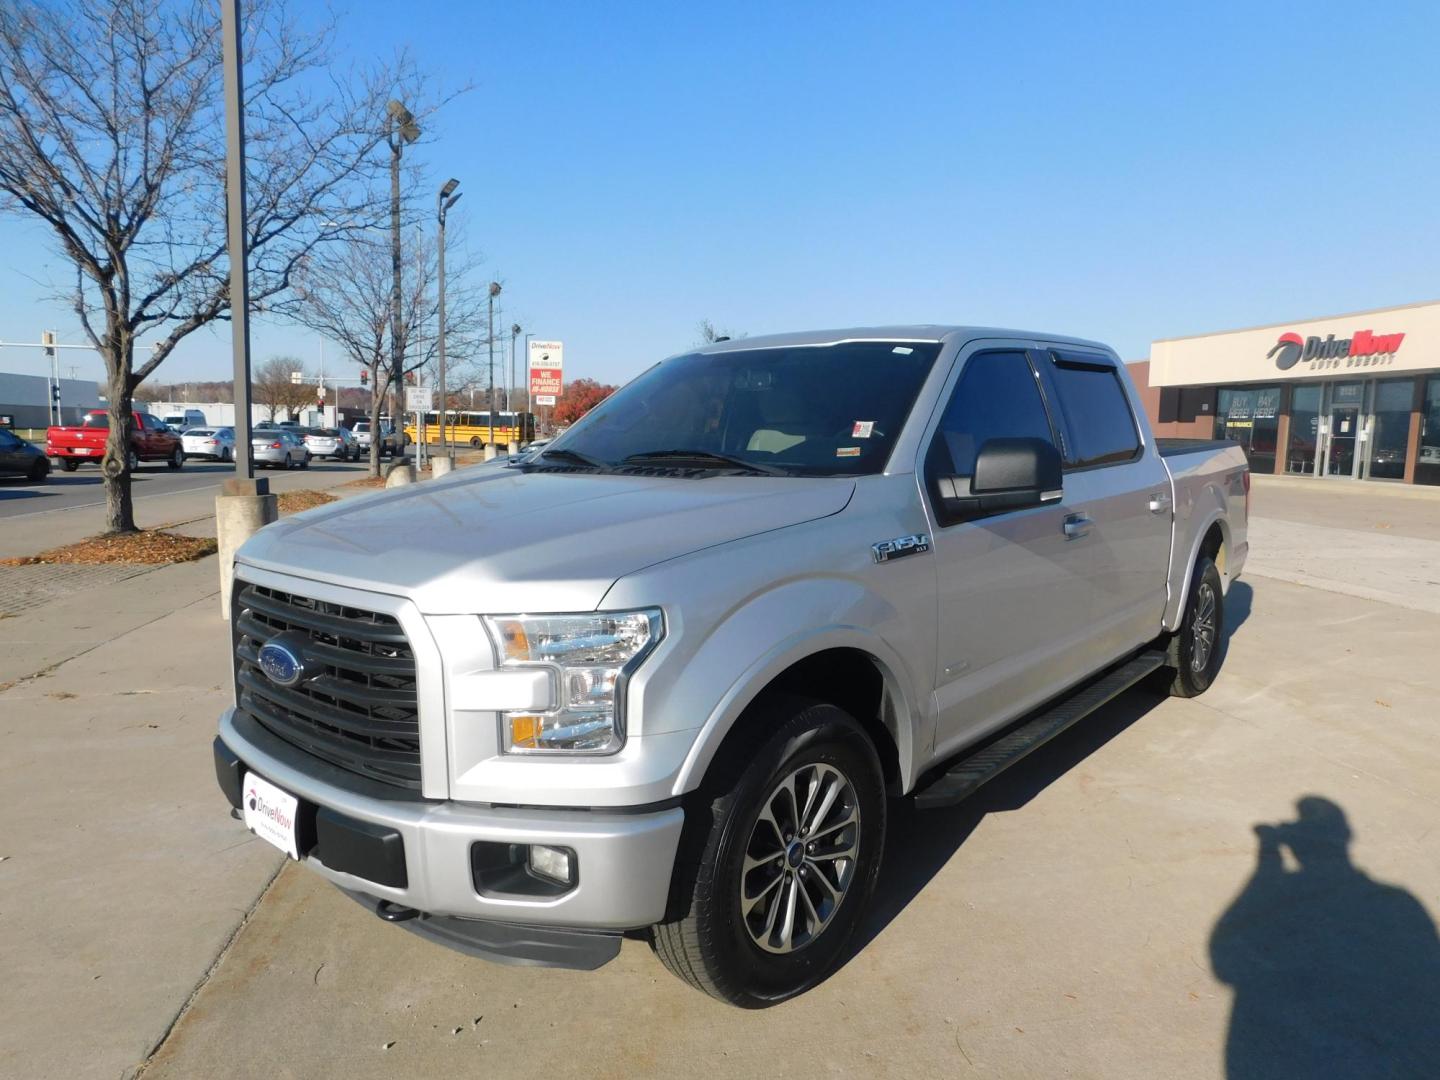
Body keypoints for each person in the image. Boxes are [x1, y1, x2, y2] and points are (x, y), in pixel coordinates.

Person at [1210, 796, 1440, 1078]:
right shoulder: (1400, 904)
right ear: (1344, 838)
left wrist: (1267, 859)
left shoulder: (1285, 901)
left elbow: (1225, 958)